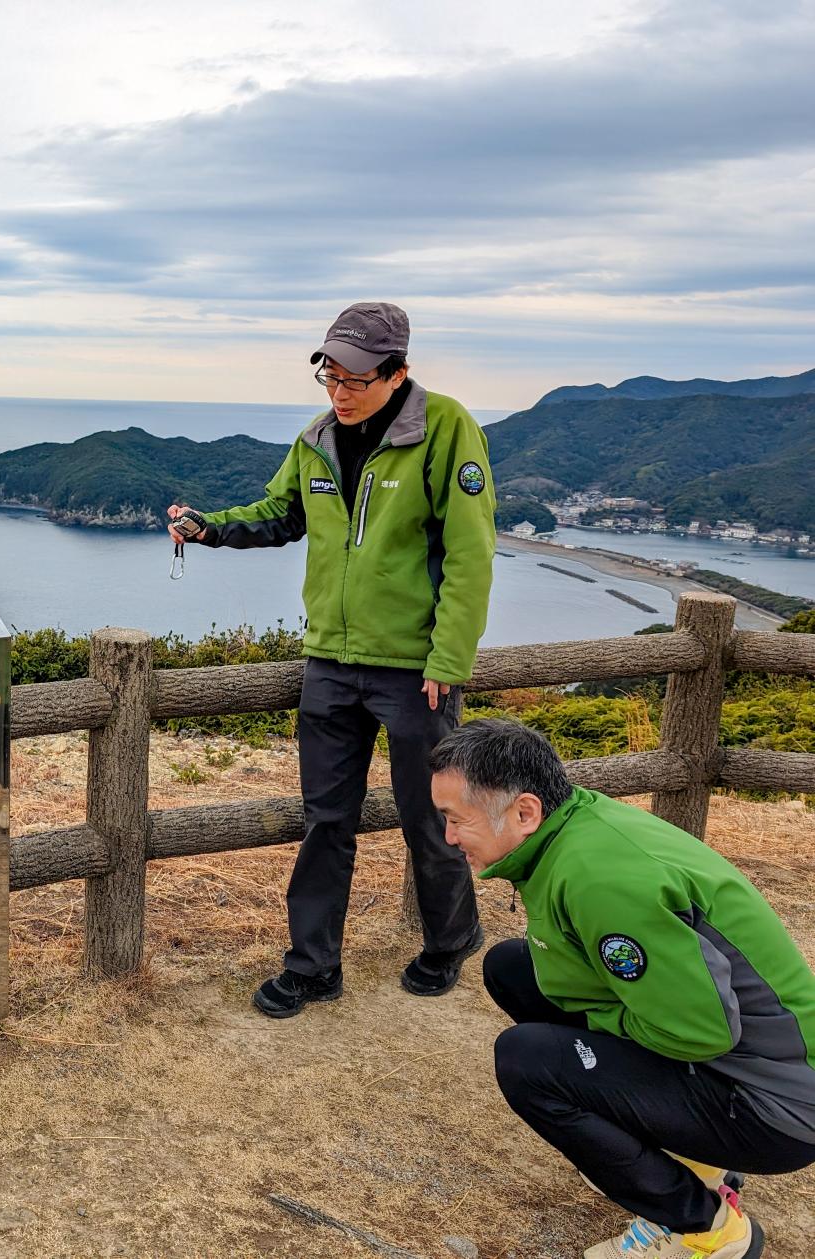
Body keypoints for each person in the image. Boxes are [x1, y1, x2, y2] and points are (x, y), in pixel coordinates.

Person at [168, 301, 496, 1017]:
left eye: (355, 378)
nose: (339, 391)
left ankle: (450, 939)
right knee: (326, 820)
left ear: (398, 372)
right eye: (330, 375)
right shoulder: (316, 438)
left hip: (415, 668)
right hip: (329, 662)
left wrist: (449, 657)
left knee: (430, 814)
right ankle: (314, 965)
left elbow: (471, 554)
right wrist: (209, 528)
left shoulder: (444, 430)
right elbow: (280, 513)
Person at [432, 717, 815, 1258]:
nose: (448, 837)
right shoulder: (576, 826)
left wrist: (598, 1028)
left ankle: (706, 1229)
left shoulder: (602, 879)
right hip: (751, 1062)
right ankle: (685, 1156)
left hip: (772, 1106)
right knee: (513, 967)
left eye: (455, 819)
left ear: (525, 811)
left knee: (528, 1062)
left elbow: (700, 1031)